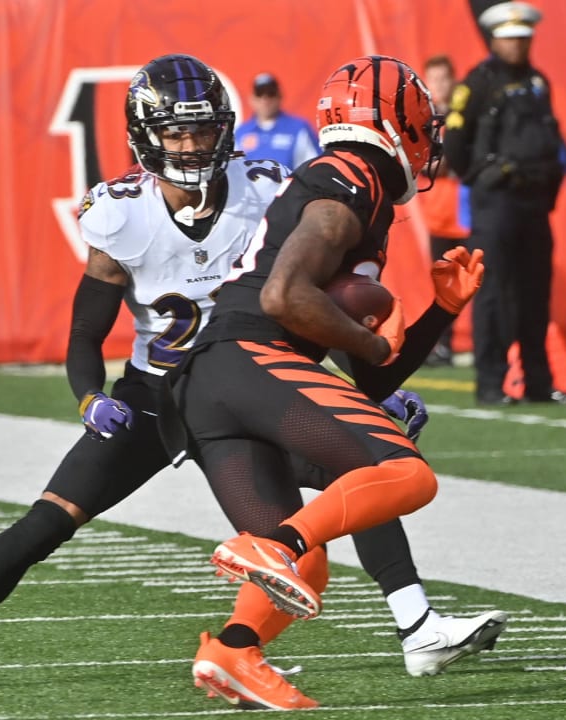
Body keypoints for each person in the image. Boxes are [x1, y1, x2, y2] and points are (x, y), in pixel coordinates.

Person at [0, 54, 503, 696]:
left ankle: (412, 626)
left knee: (338, 501)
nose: (191, 144)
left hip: (253, 377)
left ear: (225, 128)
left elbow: (308, 300)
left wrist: (367, 379)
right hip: (157, 393)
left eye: (201, 130)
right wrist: (89, 396)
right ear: (148, 135)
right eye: (175, 132)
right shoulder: (122, 212)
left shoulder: (266, 187)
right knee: (49, 520)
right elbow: (87, 332)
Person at [160, 55, 489, 710]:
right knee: (406, 475)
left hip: (211, 382)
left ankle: (231, 649)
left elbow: (371, 380)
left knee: (311, 564)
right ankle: (278, 548)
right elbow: (285, 296)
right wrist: (367, 334)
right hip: (252, 355)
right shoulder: (353, 176)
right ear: (399, 121)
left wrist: (439, 314)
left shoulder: (345, 184)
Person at [443, 1, 566, 406]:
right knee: (495, 294)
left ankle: (538, 381)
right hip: (495, 203)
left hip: (534, 202)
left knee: (535, 293)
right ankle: (490, 382)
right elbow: (455, 141)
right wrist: (479, 178)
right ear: (494, 39)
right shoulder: (477, 83)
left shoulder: (539, 82)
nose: (518, 45)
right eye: (510, 38)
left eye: (524, 38)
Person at [416, 54, 471, 367]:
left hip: (467, 215)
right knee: (443, 285)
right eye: (433, 79)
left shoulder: (464, 117)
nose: (439, 85)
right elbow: (422, 161)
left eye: (443, 78)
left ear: (454, 79)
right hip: (438, 215)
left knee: (481, 280)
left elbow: (448, 162)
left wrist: (438, 163)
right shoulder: (425, 121)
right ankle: (444, 345)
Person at [234, 73, 320, 170]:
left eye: (271, 94)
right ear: (252, 99)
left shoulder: (298, 128)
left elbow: (314, 168)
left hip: (289, 184)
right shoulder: (241, 132)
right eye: (259, 94)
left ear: (279, 96)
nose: (265, 100)